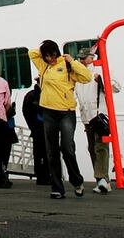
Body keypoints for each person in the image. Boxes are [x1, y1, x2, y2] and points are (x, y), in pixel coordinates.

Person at [29, 40, 92, 199]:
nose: (50, 58)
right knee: (52, 152)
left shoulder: (67, 65)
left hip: (66, 112)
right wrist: (44, 49)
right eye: (47, 56)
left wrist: (71, 61)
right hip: (48, 112)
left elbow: (87, 77)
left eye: (52, 55)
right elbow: (31, 53)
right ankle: (57, 187)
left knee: (67, 147)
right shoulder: (43, 65)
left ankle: (77, 181)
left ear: (57, 52)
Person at [74, 48, 119, 193]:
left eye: (84, 57)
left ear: (92, 57)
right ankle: (102, 179)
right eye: (80, 58)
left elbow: (116, 87)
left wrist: (103, 82)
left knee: (101, 147)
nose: (81, 60)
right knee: (92, 147)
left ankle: (101, 179)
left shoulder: (99, 69)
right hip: (87, 117)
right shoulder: (78, 73)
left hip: (100, 116)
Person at [22, 78, 50, 185]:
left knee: (48, 153)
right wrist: (32, 126)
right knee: (39, 154)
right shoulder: (31, 96)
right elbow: (26, 112)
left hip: (45, 129)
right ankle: (41, 176)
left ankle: (46, 175)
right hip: (38, 129)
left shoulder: (43, 94)